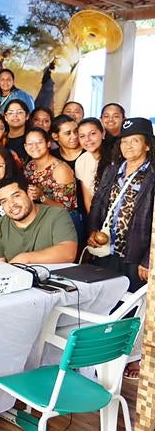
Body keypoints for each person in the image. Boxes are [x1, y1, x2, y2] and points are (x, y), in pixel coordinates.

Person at [88, 117, 155, 379]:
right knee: (110, 303)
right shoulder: (113, 169)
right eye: (124, 141)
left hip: (135, 253)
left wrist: (149, 259)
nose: (128, 146)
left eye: (134, 141)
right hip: (107, 251)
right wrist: (92, 231)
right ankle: (105, 356)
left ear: (147, 145)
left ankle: (134, 357)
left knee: (136, 306)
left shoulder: (152, 174)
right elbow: (97, 204)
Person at [0, 177, 77, 264]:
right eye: (4, 201)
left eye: (16, 196)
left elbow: (68, 253)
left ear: (30, 194)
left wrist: (25, 258)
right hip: (17, 278)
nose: (11, 204)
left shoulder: (56, 214)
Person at [23, 127, 82, 240]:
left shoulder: (60, 169)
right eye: (30, 144)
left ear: (48, 143)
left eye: (39, 142)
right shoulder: (29, 166)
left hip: (64, 223)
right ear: (25, 147)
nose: (34, 147)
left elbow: (67, 208)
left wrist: (41, 197)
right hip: (41, 223)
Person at [75, 117, 110, 212]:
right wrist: (93, 224)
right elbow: (88, 199)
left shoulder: (115, 158)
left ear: (103, 133)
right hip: (97, 216)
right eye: (82, 136)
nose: (87, 139)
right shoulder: (81, 161)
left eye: (92, 134)